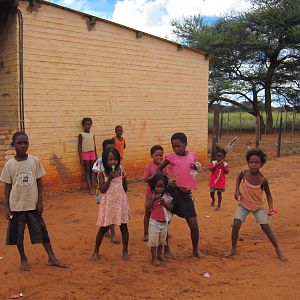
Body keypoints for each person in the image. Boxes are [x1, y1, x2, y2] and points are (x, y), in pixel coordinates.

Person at [0, 132, 68, 271]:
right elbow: (7, 186)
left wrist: (40, 201)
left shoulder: (34, 161)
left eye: (26, 142)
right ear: (14, 145)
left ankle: (52, 257)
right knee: (18, 236)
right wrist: (6, 206)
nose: (23, 145)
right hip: (16, 207)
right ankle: (23, 258)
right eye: (20, 143)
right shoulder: (9, 165)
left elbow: (39, 181)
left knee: (42, 231)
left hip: (32, 206)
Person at [226, 149, 287, 262]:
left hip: (257, 207)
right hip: (243, 204)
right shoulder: (243, 173)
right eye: (251, 162)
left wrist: (271, 207)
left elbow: (268, 195)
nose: (254, 164)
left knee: (266, 228)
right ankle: (233, 248)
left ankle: (278, 249)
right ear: (248, 163)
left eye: (257, 162)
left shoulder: (263, 180)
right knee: (235, 226)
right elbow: (238, 178)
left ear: (261, 164)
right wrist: (236, 190)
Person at [157, 132, 203, 258]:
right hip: (173, 193)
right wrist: (167, 181)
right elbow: (159, 169)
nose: (176, 149)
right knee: (164, 223)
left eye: (179, 146)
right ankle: (166, 250)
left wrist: (196, 167)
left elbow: (196, 169)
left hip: (186, 196)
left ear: (185, 144)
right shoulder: (171, 157)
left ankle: (195, 250)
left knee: (194, 225)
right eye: (174, 146)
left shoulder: (193, 155)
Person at [91, 148, 130, 261]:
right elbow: (102, 189)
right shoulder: (101, 174)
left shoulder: (121, 171)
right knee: (103, 229)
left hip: (120, 204)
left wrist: (123, 177)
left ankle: (125, 251)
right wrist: (111, 178)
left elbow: (125, 189)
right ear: (104, 161)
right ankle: (96, 251)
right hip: (108, 205)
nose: (112, 162)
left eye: (115, 159)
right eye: (109, 160)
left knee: (124, 227)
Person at [92, 138, 119, 243]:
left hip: (112, 190)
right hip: (102, 188)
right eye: (108, 148)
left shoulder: (116, 162)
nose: (111, 151)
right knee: (105, 210)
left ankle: (111, 232)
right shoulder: (99, 161)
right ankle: (110, 232)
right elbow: (94, 173)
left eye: (113, 148)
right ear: (103, 150)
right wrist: (96, 185)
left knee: (110, 210)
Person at [145, 172, 173, 266]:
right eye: (157, 187)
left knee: (162, 241)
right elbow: (147, 207)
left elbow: (171, 208)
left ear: (165, 187)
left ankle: (159, 256)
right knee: (154, 242)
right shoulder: (151, 196)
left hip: (164, 223)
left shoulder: (167, 197)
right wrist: (153, 200)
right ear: (153, 186)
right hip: (154, 223)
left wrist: (164, 203)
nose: (159, 189)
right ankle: (154, 258)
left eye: (162, 187)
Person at [78, 117, 97, 194]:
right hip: (85, 154)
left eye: (89, 124)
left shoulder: (92, 134)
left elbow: (94, 145)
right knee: (87, 171)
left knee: (93, 171)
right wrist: (81, 158)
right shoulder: (81, 134)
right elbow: (79, 147)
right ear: (83, 125)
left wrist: (96, 155)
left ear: (91, 125)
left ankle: (93, 187)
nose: (87, 126)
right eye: (86, 124)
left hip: (92, 154)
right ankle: (90, 188)